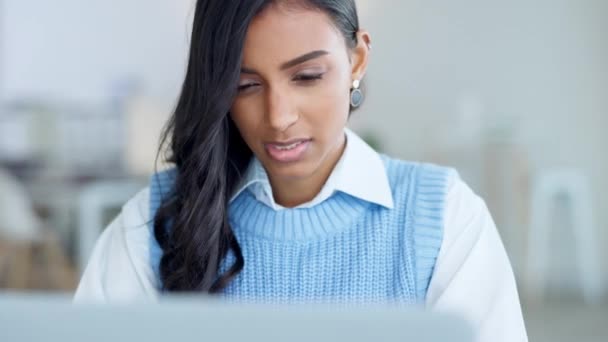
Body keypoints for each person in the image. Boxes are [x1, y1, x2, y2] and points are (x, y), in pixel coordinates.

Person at [75, 1, 528, 340]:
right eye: (245, 85)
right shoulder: (155, 222)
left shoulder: (443, 217)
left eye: (307, 76)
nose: (278, 117)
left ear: (357, 59)